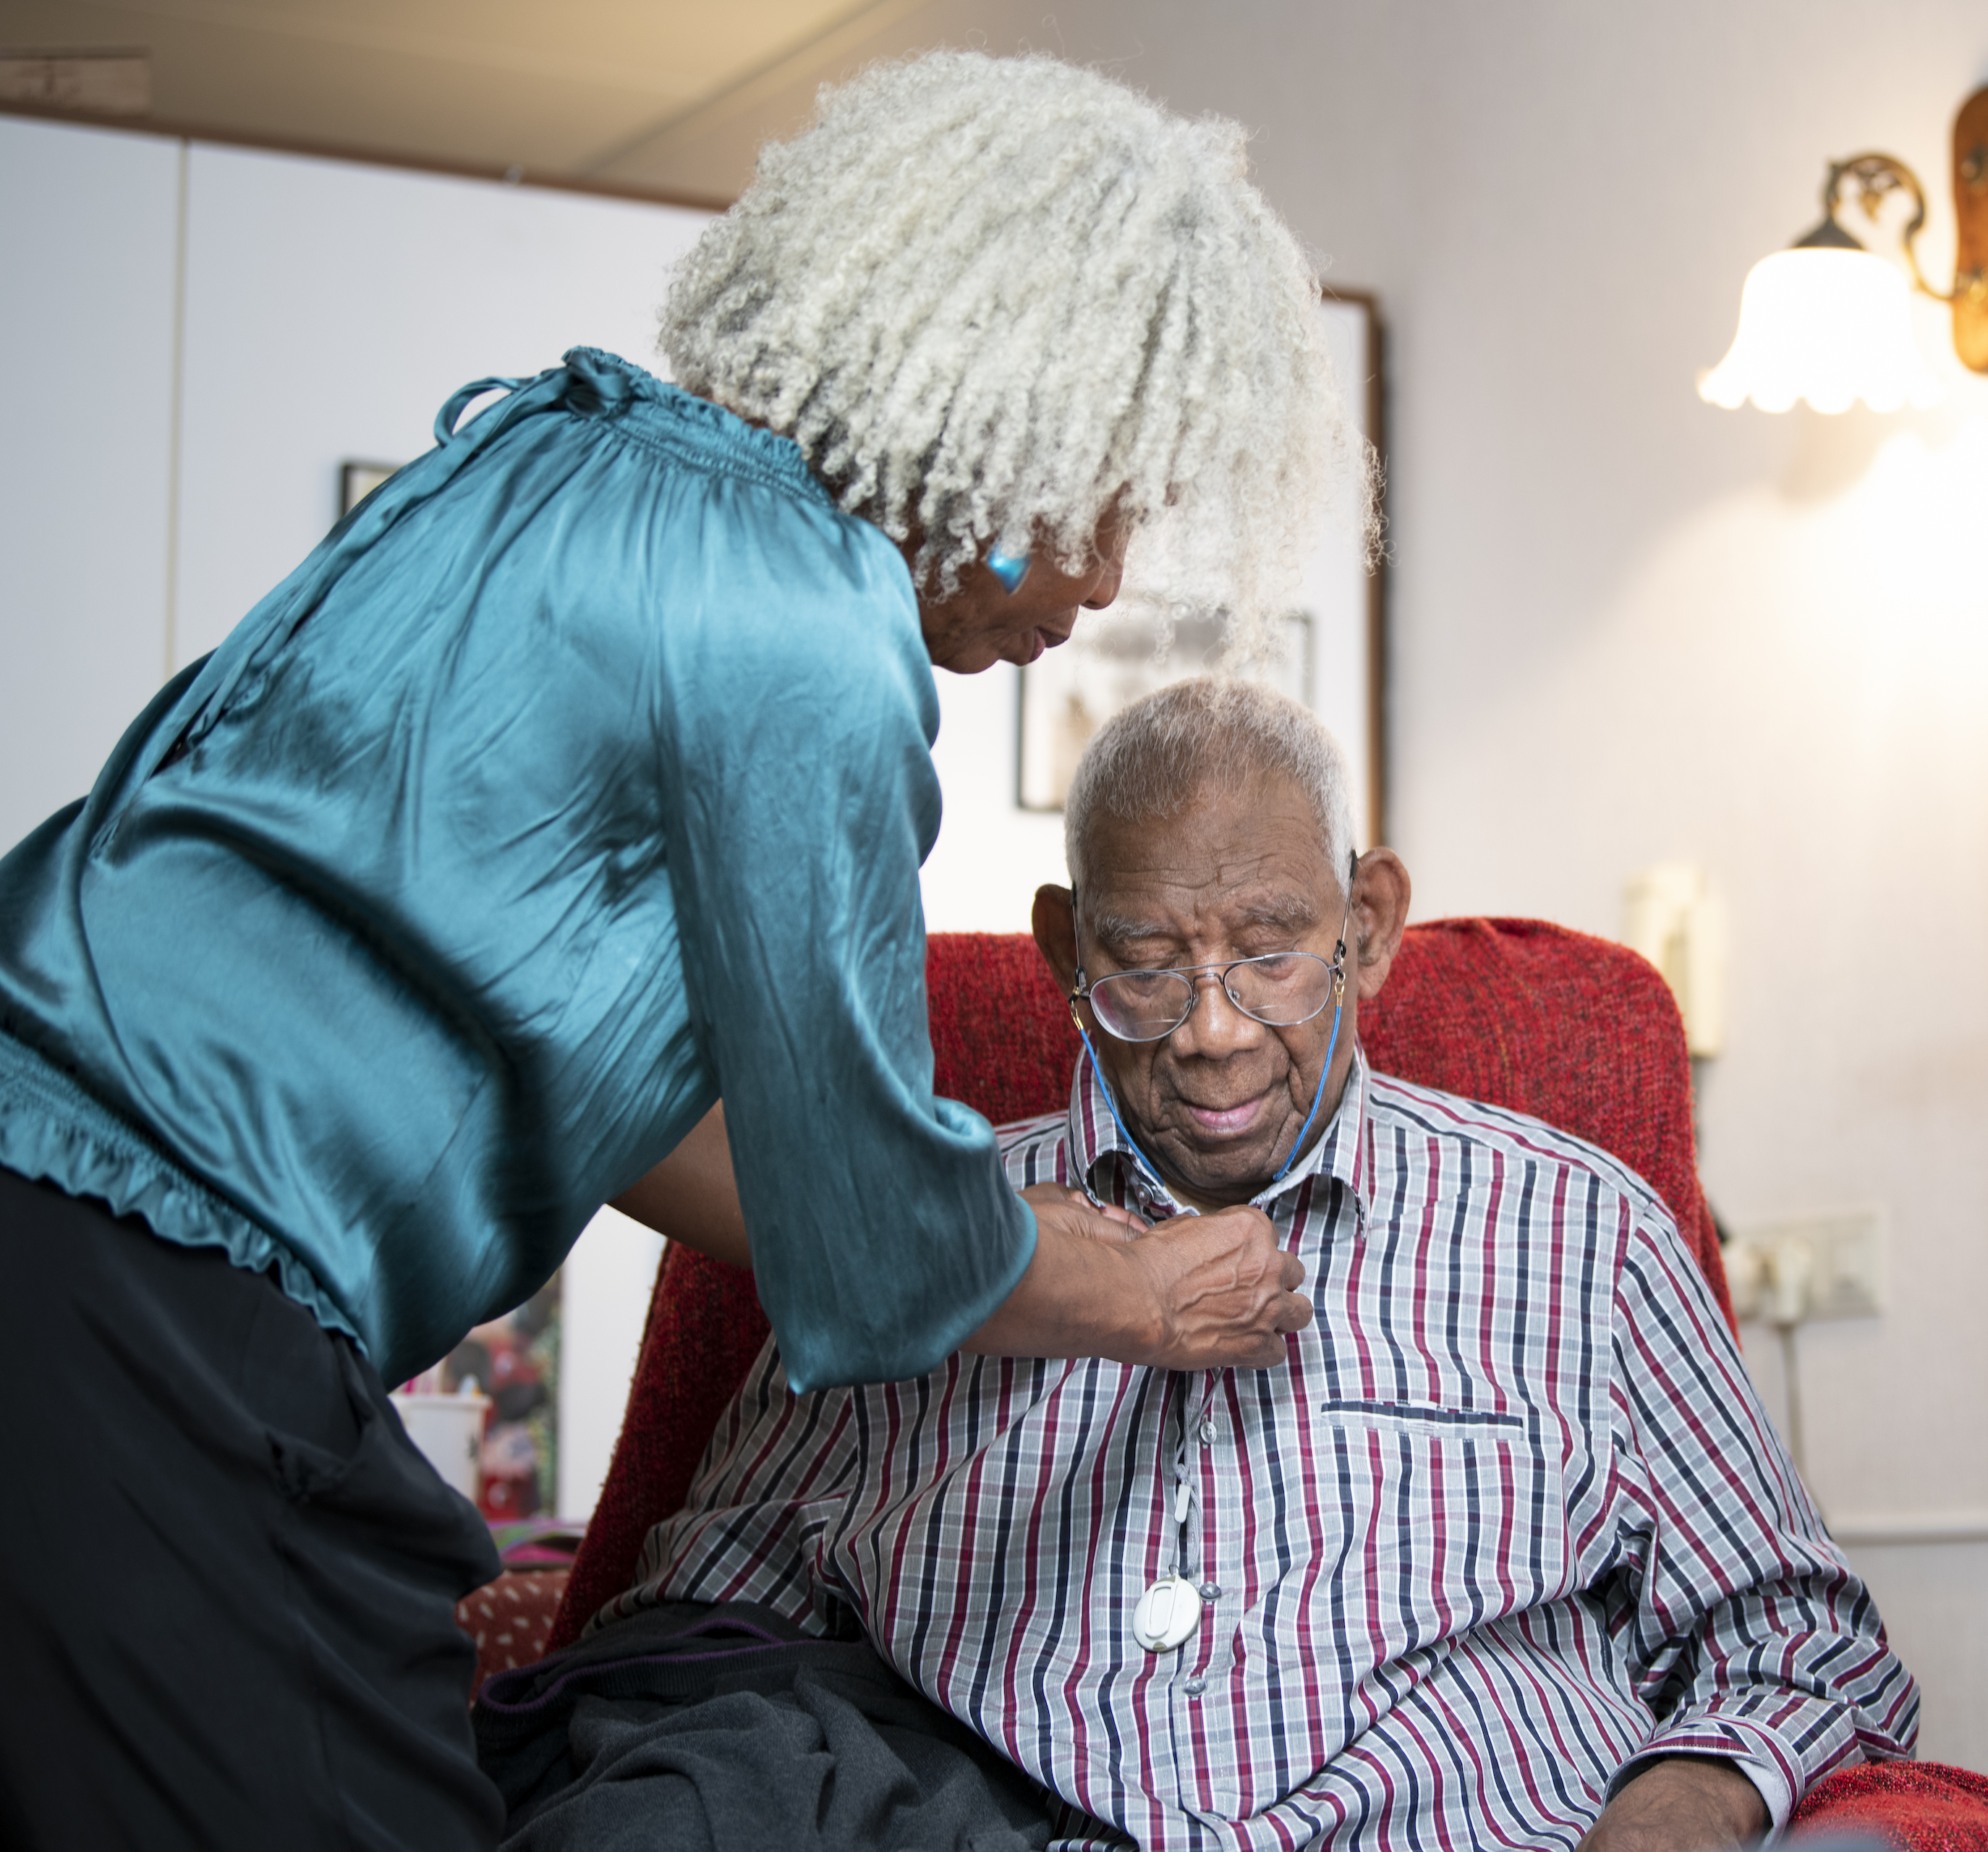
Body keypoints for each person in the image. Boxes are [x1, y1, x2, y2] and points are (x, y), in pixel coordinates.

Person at [0, 52, 1355, 1848]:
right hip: (158, 1292)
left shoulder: (553, 454)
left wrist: (1016, 1234)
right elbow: (870, 1246)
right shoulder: (804, 625)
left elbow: (618, 1107)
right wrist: (1140, 1286)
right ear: (1006, 429)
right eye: (1108, 499)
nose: (1104, 582)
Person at [486, 681, 1918, 1852]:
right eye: (1148, 960)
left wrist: (1684, 1799)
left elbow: (1802, 1635)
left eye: (1274, 951)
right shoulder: (928, 1228)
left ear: (1367, 926)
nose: (1214, 1031)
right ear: (1065, 946)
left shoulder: (1576, 1232)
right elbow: (703, 1627)